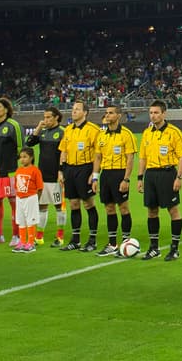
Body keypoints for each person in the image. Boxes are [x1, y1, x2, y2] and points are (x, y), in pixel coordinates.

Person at [136, 100, 182, 261]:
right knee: (151, 211)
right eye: (151, 113)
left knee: (173, 210)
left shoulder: (174, 132)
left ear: (164, 114)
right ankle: (154, 247)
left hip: (167, 174)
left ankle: (174, 248)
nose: (153, 115)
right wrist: (140, 178)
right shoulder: (147, 133)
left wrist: (179, 177)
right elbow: (143, 158)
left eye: (156, 112)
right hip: (151, 175)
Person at [57, 100, 101, 252]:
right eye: (73, 109)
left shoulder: (93, 130)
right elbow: (63, 150)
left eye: (77, 109)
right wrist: (61, 170)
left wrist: (94, 175)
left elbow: (98, 155)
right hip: (70, 169)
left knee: (88, 204)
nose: (73, 111)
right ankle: (75, 240)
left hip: (85, 169)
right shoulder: (68, 129)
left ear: (85, 113)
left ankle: (92, 240)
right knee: (73, 204)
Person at [94, 104, 137, 257]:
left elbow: (130, 158)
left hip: (120, 174)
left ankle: (126, 242)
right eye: (106, 113)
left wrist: (126, 179)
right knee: (109, 209)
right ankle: (112, 244)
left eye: (111, 113)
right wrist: (95, 177)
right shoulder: (102, 135)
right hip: (106, 174)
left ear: (118, 116)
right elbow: (98, 158)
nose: (107, 115)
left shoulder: (127, 134)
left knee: (123, 208)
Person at [0, 97, 24, 246]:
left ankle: (17, 235)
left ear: (6, 110)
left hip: (11, 172)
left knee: (15, 204)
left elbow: (22, 148)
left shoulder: (14, 125)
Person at [26, 107, 65, 246]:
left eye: (49, 117)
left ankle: (60, 237)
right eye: (45, 117)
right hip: (42, 176)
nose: (45, 120)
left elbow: (65, 154)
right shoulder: (43, 133)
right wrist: (38, 128)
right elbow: (29, 144)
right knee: (42, 206)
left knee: (59, 206)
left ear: (56, 118)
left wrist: (62, 172)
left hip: (56, 176)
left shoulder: (62, 133)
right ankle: (39, 236)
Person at [11, 147, 43, 253]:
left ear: (31, 158)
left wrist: (36, 200)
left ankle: (31, 243)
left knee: (31, 220)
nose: (22, 159)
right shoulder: (19, 170)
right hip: (20, 198)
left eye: (25, 157)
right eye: (21, 157)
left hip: (31, 197)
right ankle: (22, 242)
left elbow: (40, 188)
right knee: (21, 221)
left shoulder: (35, 170)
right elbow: (16, 185)